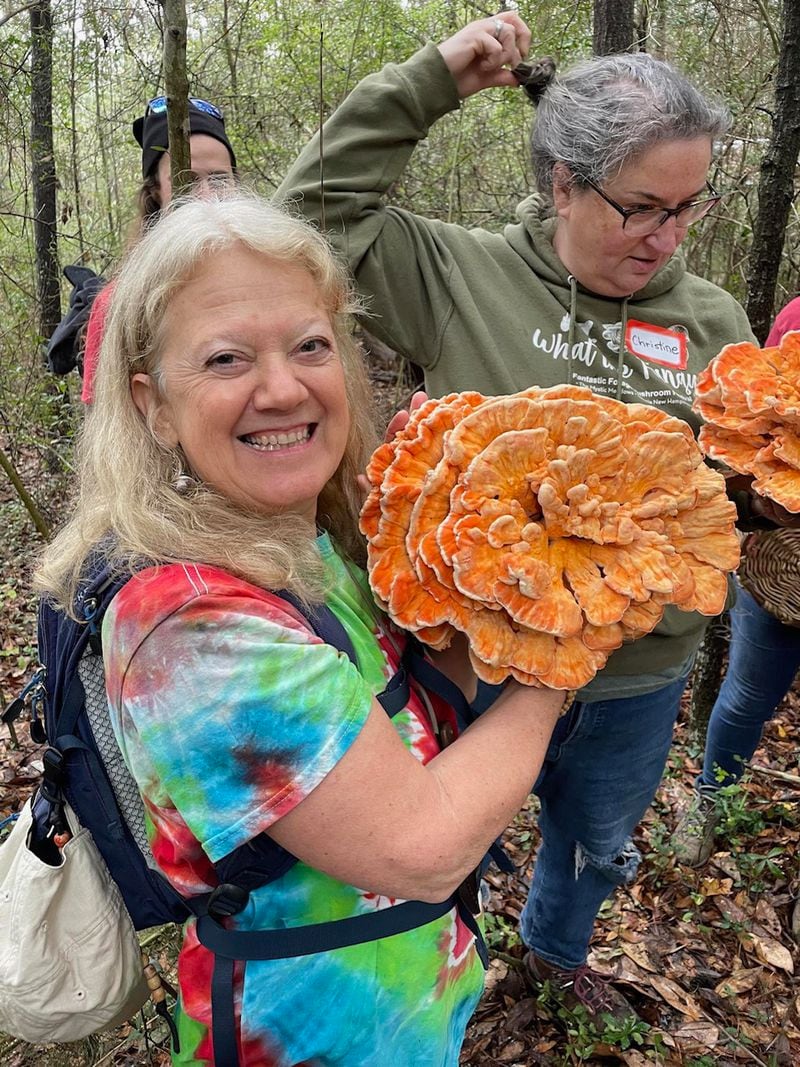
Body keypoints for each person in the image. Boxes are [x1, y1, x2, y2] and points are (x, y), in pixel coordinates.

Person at [276, 11, 756, 1020]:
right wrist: (429, 82)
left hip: (634, 675)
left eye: (685, 207)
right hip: (468, 663)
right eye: (638, 207)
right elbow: (308, 215)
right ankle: (440, 954)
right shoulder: (456, 274)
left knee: (597, 837)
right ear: (561, 182)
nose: (664, 236)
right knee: (437, 839)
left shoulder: (710, 320)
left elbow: (723, 491)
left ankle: (552, 948)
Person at [34, 193, 567, 1066]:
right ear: (154, 405)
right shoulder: (187, 627)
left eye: (310, 345)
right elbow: (422, 845)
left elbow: (422, 717)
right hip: (307, 1032)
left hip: (408, 1004)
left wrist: (508, 586)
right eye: (225, 358)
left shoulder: (310, 541)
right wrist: (560, 651)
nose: (282, 387)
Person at [674, 296, 800, 868]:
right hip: (779, 569)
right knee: (747, 695)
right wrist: (763, 496)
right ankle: (709, 804)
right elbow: (756, 421)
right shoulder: (797, 315)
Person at [76, 95, 237, 403]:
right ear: (156, 196)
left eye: (219, 180)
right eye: (185, 182)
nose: (207, 197)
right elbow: (102, 426)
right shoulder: (119, 306)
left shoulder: (275, 284)